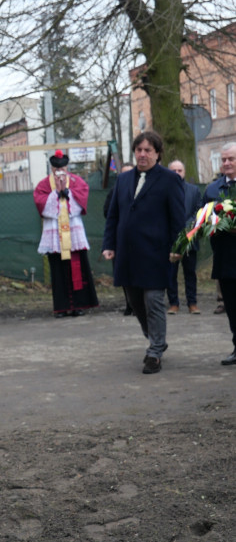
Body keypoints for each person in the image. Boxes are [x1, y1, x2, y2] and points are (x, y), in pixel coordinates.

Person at [102, 131, 185, 374]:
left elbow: (177, 218)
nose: (142, 154)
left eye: (148, 150)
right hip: (127, 254)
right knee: (136, 302)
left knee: (153, 301)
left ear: (158, 154)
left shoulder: (169, 179)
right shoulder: (124, 180)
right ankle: (155, 338)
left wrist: (178, 247)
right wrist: (109, 244)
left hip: (156, 254)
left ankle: (155, 351)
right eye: (139, 150)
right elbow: (114, 216)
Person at [34, 150, 98, 317]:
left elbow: (83, 195)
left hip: (73, 232)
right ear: (52, 168)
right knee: (58, 270)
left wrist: (69, 194)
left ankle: (78, 305)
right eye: (56, 168)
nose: (59, 171)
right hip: (55, 233)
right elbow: (40, 202)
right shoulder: (43, 184)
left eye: (62, 168)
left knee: (76, 267)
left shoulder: (76, 181)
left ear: (67, 167)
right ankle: (61, 307)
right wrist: (56, 194)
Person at [201, 142, 236, 365]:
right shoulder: (212, 190)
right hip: (226, 258)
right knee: (232, 308)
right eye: (223, 160)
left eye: (231, 159)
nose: (226, 163)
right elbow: (204, 221)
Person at [166, 159, 201, 315]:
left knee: (190, 273)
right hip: (170, 241)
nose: (177, 173)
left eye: (179, 170)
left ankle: (192, 303)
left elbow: (198, 213)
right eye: (173, 171)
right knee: (170, 273)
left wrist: (186, 228)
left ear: (184, 172)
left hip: (189, 239)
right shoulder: (163, 191)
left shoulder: (194, 191)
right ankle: (173, 304)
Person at [103, 163, 134, 315]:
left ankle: (139, 304)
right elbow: (108, 213)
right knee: (123, 273)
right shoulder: (114, 192)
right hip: (120, 240)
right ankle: (130, 304)